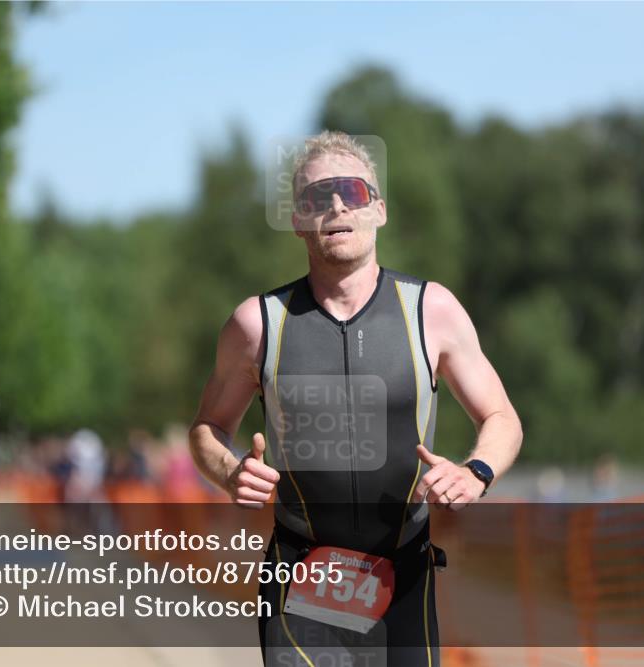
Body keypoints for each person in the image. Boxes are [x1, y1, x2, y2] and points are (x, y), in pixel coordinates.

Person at [189, 131, 523, 666]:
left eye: (353, 191)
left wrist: (476, 471)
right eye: (318, 197)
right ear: (299, 220)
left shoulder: (431, 310)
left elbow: (502, 417)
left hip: (404, 573)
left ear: (379, 209)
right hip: (301, 573)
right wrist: (229, 472)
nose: (338, 205)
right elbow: (207, 428)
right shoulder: (257, 323)